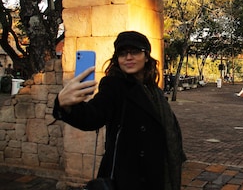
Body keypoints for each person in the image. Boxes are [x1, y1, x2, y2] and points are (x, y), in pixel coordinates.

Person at [53, 31, 186, 189]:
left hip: (156, 170)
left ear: (146, 56)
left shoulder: (153, 89)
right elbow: (93, 116)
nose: (128, 57)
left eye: (135, 52)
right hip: (128, 176)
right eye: (122, 54)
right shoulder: (113, 85)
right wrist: (63, 104)